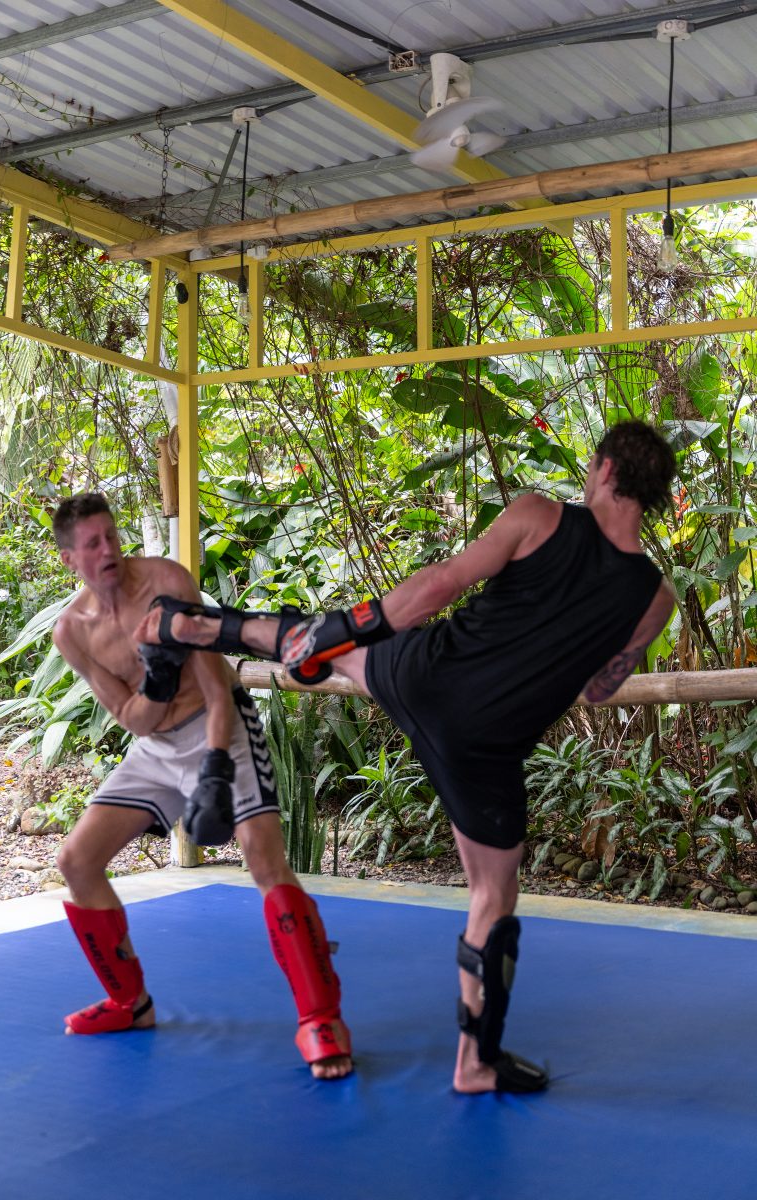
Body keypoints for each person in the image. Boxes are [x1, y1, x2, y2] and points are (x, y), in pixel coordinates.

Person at [137, 420, 676, 1095]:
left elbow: (440, 584)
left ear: (604, 470)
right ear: (653, 494)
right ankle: (476, 1064)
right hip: (487, 748)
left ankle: (193, 625)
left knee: (336, 646)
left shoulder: (540, 515)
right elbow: (599, 689)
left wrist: (342, 628)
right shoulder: (654, 599)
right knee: (494, 896)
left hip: (426, 674)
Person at [50, 492, 352, 1080]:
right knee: (76, 860)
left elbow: (216, 687)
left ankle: (321, 1019)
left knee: (264, 861)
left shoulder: (165, 581)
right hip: (156, 749)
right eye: (92, 544)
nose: (108, 550)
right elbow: (134, 720)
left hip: (221, 726)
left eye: (111, 536)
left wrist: (215, 765)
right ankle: (130, 1003)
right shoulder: (72, 632)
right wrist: (159, 677)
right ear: (70, 559)